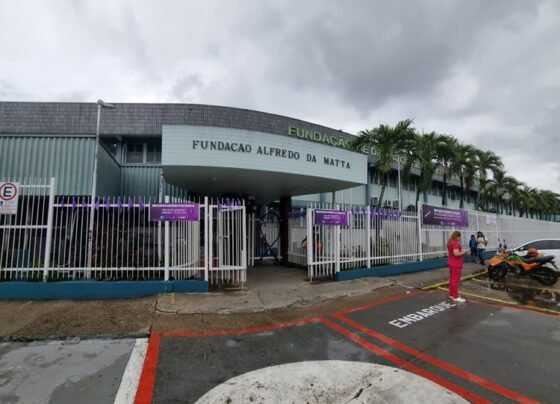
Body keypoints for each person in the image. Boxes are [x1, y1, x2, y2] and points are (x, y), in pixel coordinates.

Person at [447, 231, 468, 303]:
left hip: (451, 263)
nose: (460, 238)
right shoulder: (455, 243)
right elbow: (456, 254)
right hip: (456, 264)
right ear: (457, 236)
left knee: (452, 279)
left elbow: (454, 252)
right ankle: (456, 296)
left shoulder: (450, 242)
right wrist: (465, 252)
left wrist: (462, 251)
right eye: (459, 237)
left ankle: (452, 294)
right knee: (455, 280)